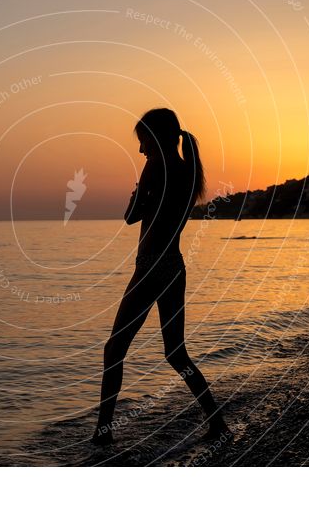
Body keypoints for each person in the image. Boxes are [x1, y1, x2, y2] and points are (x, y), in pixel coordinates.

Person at [93, 108, 231, 445]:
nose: (140, 150)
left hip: (152, 265)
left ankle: (103, 432)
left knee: (114, 350)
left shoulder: (158, 165)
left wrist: (137, 191)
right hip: (174, 267)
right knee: (176, 352)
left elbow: (130, 217)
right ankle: (216, 420)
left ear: (155, 138)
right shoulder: (186, 170)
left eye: (142, 142)